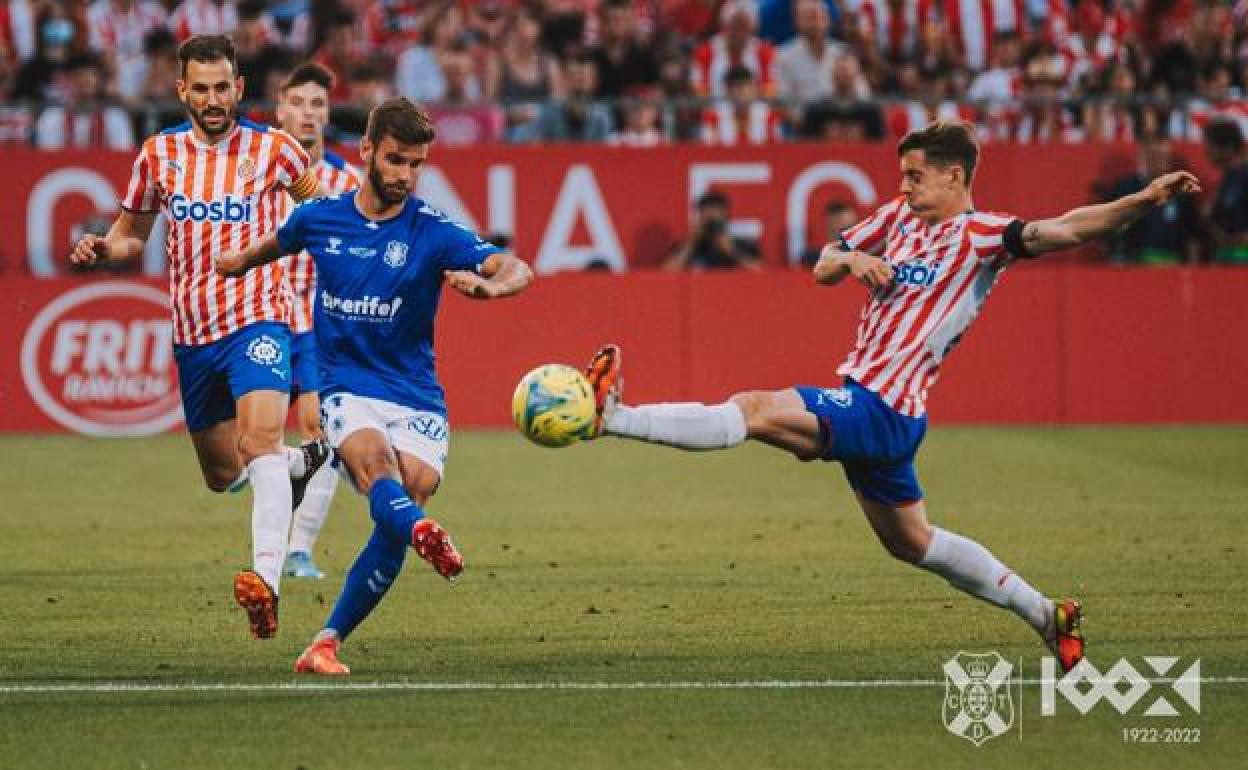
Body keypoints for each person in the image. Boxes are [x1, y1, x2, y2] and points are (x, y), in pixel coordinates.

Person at [582, 121, 1201, 673]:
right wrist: (853, 262)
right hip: (882, 409)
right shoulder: (899, 217)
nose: (904, 187)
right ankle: (1047, 615)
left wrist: (1144, 199)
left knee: (753, 408)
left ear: (954, 176)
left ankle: (614, 417)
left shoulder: (983, 237)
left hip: (884, 405)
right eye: (901, 175)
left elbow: (1068, 227)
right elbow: (825, 262)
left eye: (915, 176)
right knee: (912, 542)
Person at [214, 97, 534, 675]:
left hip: (416, 394)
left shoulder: (433, 231)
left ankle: (326, 641)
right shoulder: (321, 217)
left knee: (404, 499)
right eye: (395, 160)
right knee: (376, 472)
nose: (405, 175)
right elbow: (281, 241)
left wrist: (494, 290)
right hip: (345, 387)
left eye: (416, 164)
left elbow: (515, 268)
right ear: (366, 151)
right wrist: (237, 261)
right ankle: (422, 531)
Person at [68, 34, 331, 641]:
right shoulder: (158, 156)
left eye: (224, 87)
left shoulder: (276, 151)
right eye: (202, 88)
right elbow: (132, 234)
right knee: (221, 473)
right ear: (182, 89)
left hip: (261, 317)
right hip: (193, 334)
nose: (214, 99)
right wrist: (104, 248)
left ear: (239, 87)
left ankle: (265, 582)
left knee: (259, 436)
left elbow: (317, 211)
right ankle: (297, 466)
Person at [274, 61, 361, 579]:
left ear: (327, 114)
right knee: (247, 443)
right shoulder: (256, 167)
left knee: (320, 434)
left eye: (318, 105)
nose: (308, 114)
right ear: (280, 107)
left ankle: (297, 547)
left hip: (318, 325)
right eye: (299, 103)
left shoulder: (346, 181)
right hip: (261, 314)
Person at [664, 190, 762, 271]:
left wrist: (732, 251)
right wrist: (691, 244)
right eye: (706, 216)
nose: (711, 223)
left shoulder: (744, 245)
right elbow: (666, 274)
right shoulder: (686, 246)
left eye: (715, 217)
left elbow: (763, 273)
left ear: (726, 216)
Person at [1204, 118, 1248, 264]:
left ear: (1227, 147)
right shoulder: (1226, 179)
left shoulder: (1245, 175)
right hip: (1227, 257)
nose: (1206, 151)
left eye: (1210, 145)